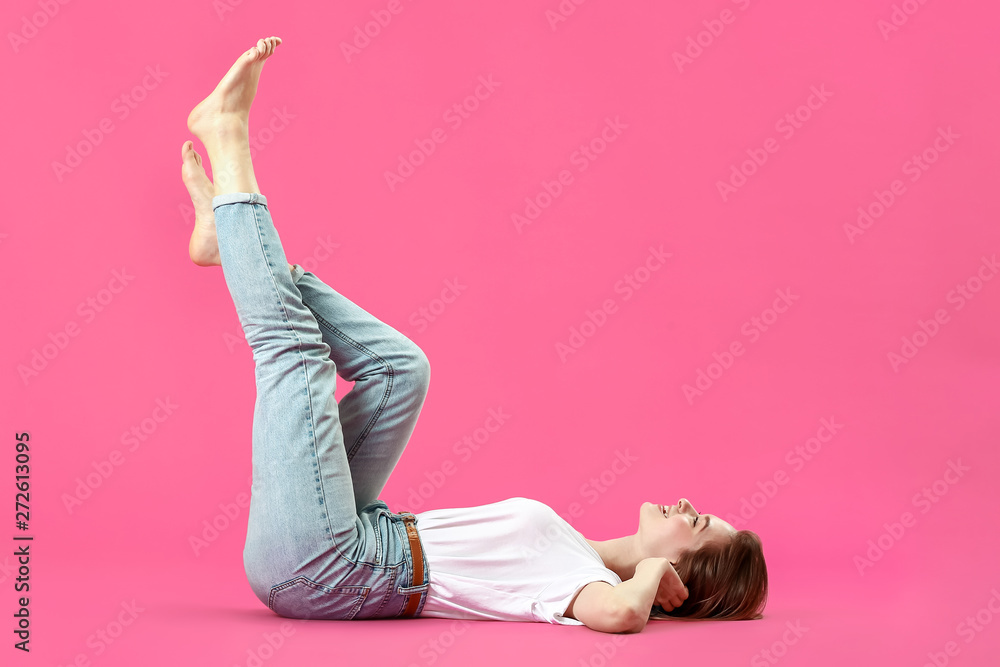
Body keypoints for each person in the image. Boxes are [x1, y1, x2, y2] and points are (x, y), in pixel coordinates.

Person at [181, 37, 768, 634]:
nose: (689, 506)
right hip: (347, 537)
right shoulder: (577, 549)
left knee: (298, 357)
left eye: (695, 525)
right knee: (402, 371)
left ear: (674, 576)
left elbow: (617, 615)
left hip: (326, 568)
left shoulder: (583, 580)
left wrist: (647, 578)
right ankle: (231, 244)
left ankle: (228, 137)